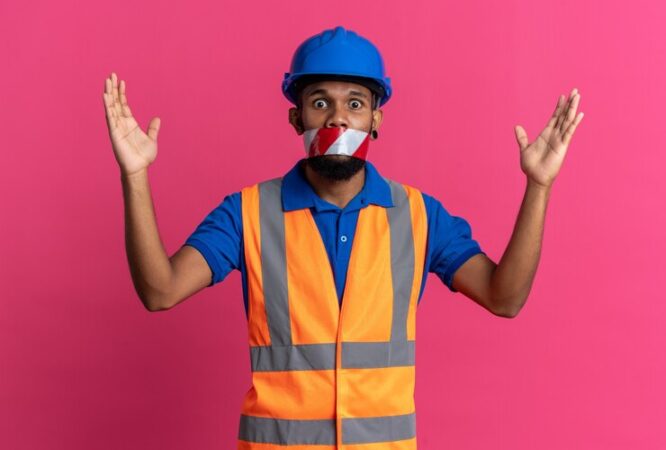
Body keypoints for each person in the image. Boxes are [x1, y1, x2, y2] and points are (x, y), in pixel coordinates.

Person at [103, 25, 583, 450]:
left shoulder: (419, 215)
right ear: (298, 120)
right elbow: (159, 291)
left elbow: (505, 298)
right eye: (320, 103)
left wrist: (539, 186)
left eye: (355, 104)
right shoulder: (246, 212)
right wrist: (136, 176)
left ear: (375, 118)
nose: (338, 119)